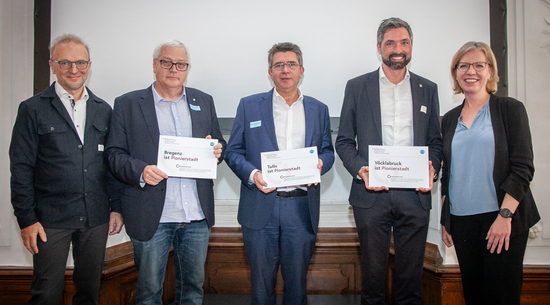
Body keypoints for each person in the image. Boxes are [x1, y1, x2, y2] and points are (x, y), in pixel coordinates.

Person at [104, 40, 226, 305]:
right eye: (166, 62)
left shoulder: (203, 101)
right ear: (154, 65)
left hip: (196, 214)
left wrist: (217, 150)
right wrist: (140, 170)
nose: (174, 69)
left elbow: (217, 142)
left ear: (187, 68)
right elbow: (113, 154)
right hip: (151, 214)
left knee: (193, 290)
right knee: (149, 293)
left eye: (180, 64)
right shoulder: (128, 104)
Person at [335, 17, 443, 305]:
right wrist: (361, 170)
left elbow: (435, 142)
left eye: (404, 42)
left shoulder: (427, 89)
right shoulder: (358, 86)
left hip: (414, 197)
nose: (398, 49)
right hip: (371, 197)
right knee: (372, 282)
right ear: (379, 47)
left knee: (411, 282)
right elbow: (344, 141)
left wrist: (432, 167)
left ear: (411, 46)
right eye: (391, 43)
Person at [9, 34, 123, 305]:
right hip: (49, 220)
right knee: (46, 294)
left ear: (89, 65)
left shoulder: (103, 110)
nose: (74, 70)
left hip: (95, 218)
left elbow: (112, 163)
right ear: (52, 65)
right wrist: (26, 219)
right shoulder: (32, 109)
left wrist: (116, 207)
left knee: (89, 293)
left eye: (81, 63)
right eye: (65, 63)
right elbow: (21, 168)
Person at [224, 42, 334, 305]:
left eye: (291, 64)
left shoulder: (319, 109)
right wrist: (252, 175)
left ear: (301, 70)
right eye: (279, 65)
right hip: (260, 206)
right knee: (261, 285)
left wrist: (320, 163)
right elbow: (233, 151)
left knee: (296, 284)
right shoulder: (249, 105)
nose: (285, 70)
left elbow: (328, 151)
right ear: (270, 72)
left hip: (301, 207)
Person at [440, 41, 540, 305]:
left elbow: (523, 167)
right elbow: (448, 171)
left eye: (478, 65)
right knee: (474, 296)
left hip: (501, 220)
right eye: (463, 66)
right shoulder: (449, 119)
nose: (470, 71)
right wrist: (445, 219)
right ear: (455, 73)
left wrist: (505, 215)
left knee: (502, 296)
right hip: (461, 221)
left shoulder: (510, 110)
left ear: (491, 71)